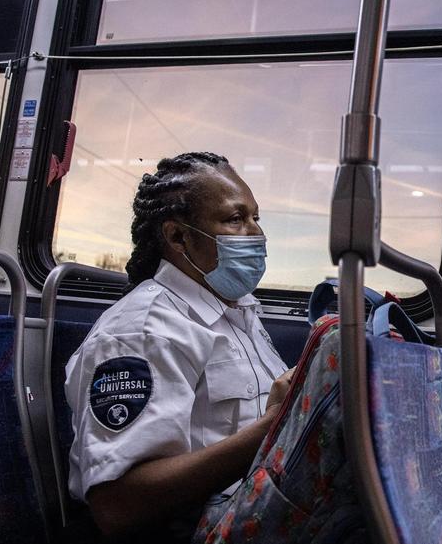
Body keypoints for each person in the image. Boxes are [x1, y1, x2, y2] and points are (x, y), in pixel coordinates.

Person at [64, 152, 294, 541]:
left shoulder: (239, 313)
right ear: (177, 237)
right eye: (235, 219)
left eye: (256, 218)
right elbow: (118, 504)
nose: (257, 234)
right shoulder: (142, 331)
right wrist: (273, 429)